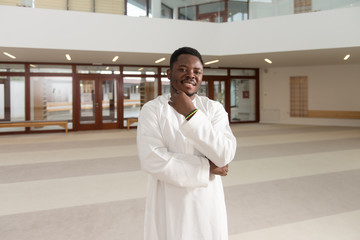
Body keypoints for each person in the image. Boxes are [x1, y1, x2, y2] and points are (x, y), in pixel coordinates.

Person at [137, 47, 237, 240]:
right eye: (183, 69)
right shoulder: (152, 110)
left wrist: (191, 114)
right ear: (169, 73)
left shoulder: (213, 109)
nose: (191, 75)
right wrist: (207, 166)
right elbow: (152, 159)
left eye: (197, 71)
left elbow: (224, 154)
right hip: (168, 200)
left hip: (207, 198)